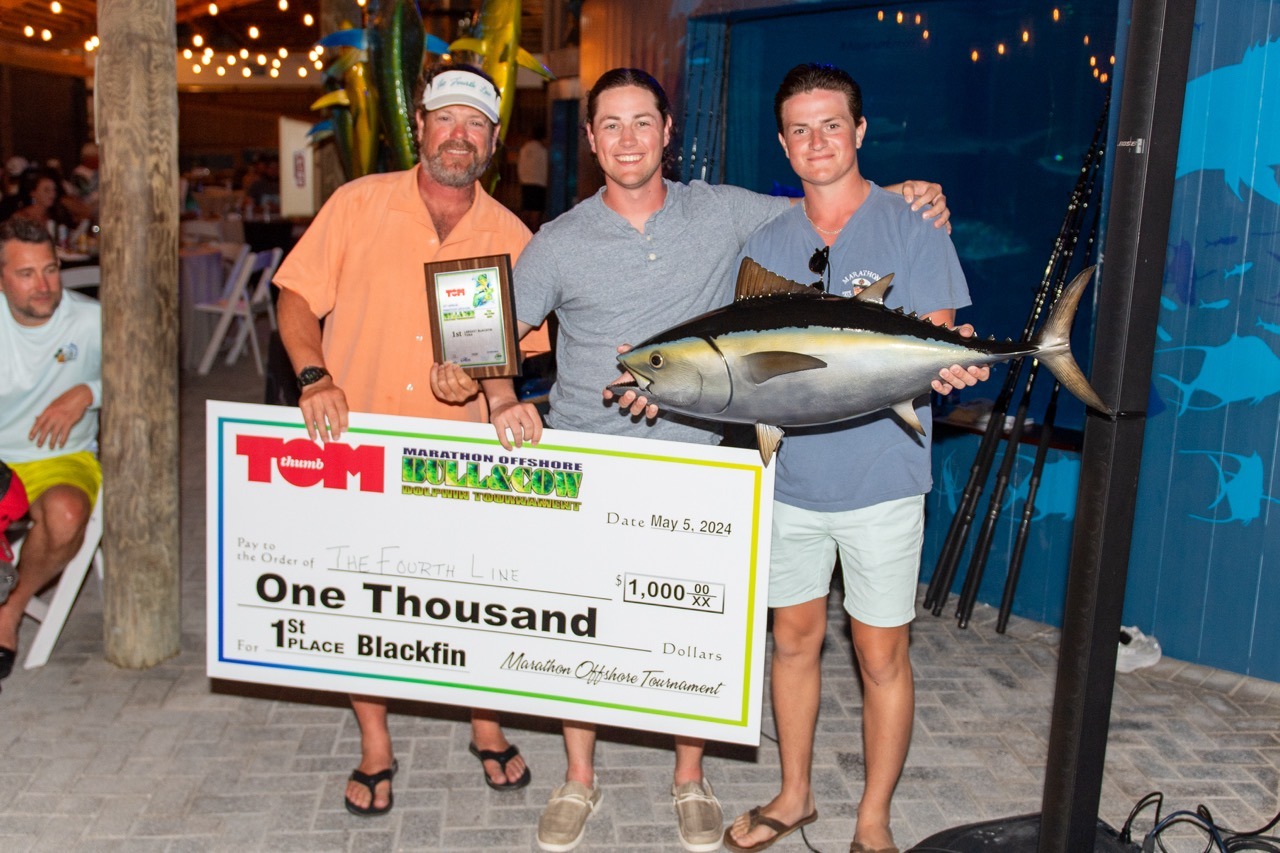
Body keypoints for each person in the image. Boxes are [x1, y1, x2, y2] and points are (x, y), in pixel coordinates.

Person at [468, 67, 954, 853]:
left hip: (698, 465)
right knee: (582, 626)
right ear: (590, 140)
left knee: (687, 625)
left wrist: (905, 194)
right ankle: (579, 776)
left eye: (643, 122)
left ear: (669, 132)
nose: (628, 139)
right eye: (611, 125)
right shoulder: (557, 239)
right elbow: (492, 331)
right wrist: (499, 397)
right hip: (593, 461)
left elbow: (820, 198)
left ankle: (689, 777)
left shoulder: (722, 210)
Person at [272, 63, 549, 818]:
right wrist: (313, 376)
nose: (459, 136)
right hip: (356, 442)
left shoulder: (514, 237)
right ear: (420, 125)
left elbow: (510, 352)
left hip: (458, 457)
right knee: (363, 597)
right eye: (446, 119)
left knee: (476, 597)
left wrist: (484, 387)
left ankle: (485, 722)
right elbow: (295, 296)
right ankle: (375, 743)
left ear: (493, 141)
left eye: (476, 124)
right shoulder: (356, 203)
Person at [720, 63, 978, 853]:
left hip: (883, 477)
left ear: (859, 130)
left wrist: (952, 361)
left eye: (831, 124)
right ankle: (794, 794)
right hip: (791, 481)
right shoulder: (766, 246)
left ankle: (874, 817)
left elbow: (935, 339)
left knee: (880, 652)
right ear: (782, 143)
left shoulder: (914, 225)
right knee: (793, 640)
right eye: (800, 129)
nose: (817, 141)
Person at [0, 217, 102, 680]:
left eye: (50, 270)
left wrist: (88, 392)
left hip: (61, 457)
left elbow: (150, 378)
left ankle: (10, 609)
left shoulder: (89, 319)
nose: (43, 286)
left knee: (65, 514)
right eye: (26, 274)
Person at [517, 127, 549, 229]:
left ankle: (523, 230)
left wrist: (522, 178)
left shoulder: (525, 148)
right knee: (536, 211)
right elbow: (545, 167)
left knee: (526, 209)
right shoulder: (542, 150)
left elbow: (520, 165)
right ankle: (533, 232)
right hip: (539, 183)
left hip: (526, 182)